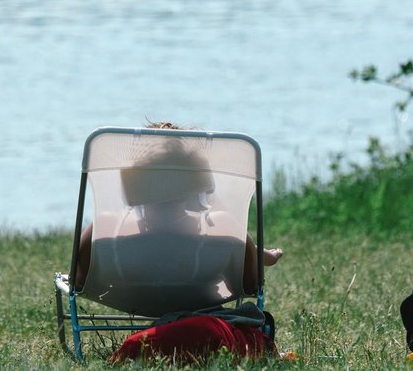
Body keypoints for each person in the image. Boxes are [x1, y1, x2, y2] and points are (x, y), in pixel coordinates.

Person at [74, 121, 283, 294]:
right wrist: (251, 253)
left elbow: (82, 285)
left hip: (127, 302)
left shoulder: (103, 230)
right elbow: (248, 287)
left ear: (133, 183)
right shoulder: (225, 230)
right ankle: (257, 254)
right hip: (199, 307)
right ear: (198, 180)